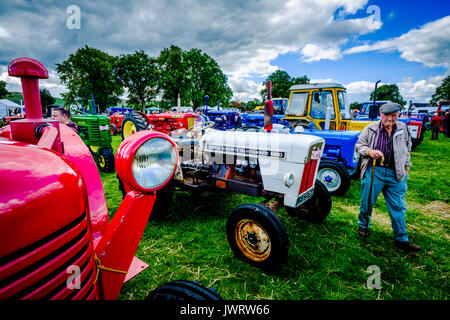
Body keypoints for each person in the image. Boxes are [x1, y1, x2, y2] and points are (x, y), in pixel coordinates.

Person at [355, 102, 421, 253]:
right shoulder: (370, 128)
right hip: (374, 171)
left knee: (398, 206)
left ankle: (401, 240)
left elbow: (407, 149)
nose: (389, 119)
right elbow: (359, 146)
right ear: (380, 114)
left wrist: (406, 167)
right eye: (386, 115)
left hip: (396, 173)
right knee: (367, 202)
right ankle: (363, 226)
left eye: (394, 116)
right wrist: (369, 151)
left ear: (398, 115)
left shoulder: (403, 128)